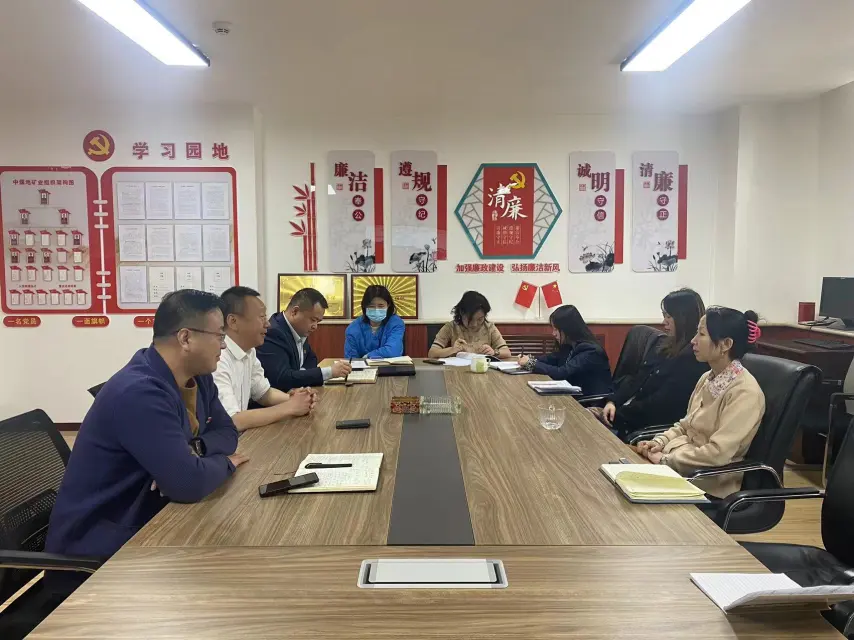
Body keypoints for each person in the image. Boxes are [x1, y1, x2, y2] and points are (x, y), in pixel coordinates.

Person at [46, 290, 248, 562]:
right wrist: (226, 463)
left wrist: (195, 450)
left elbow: (228, 433)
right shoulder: (139, 392)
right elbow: (188, 482)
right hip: (100, 550)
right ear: (186, 338)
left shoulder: (199, 379)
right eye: (219, 336)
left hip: (149, 520)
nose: (223, 346)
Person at [635, 307, 766, 499]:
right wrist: (658, 442)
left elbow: (717, 453)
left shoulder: (745, 392)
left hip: (707, 483)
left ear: (726, 344)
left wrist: (667, 460)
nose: (693, 340)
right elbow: (685, 426)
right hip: (679, 467)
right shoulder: (707, 378)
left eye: (702, 334)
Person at [589, 288, 709, 441]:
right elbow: (636, 379)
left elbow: (659, 405)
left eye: (669, 316)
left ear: (683, 319)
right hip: (624, 415)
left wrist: (616, 416)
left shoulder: (694, 358)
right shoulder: (664, 345)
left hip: (642, 428)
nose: (664, 322)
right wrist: (613, 401)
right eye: (664, 316)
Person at [214, 286, 317, 432]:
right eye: (261, 317)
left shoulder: (249, 351)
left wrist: (297, 399)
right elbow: (233, 420)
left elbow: (264, 393)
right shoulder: (217, 357)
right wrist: (290, 407)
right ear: (233, 321)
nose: (267, 323)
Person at [258, 287, 351, 391]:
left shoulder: (299, 329)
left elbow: (311, 359)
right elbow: (282, 379)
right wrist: (330, 372)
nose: (315, 326)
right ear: (295, 312)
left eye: (318, 322)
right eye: (313, 320)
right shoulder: (273, 332)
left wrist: (298, 376)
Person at [517, 305, 613, 395]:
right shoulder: (570, 345)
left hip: (588, 402)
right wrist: (530, 359)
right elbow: (551, 359)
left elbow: (562, 373)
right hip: (572, 395)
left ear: (568, 329)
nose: (553, 333)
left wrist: (532, 363)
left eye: (556, 329)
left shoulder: (591, 351)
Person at [428, 291, 511, 359]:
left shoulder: (489, 327)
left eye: (480, 319)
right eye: (470, 319)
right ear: (461, 312)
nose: (475, 324)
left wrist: (494, 352)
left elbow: (507, 352)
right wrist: (452, 350)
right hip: (457, 371)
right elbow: (432, 353)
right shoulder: (451, 327)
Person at [344, 285, 405, 359]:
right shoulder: (353, 328)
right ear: (365, 306)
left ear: (388, 305)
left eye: (381, 306)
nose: (376, 309)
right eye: (371, 306)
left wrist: (368, 356)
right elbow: (351, 359)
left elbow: (393, 350)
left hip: (390, 366)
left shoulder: (396, 323)